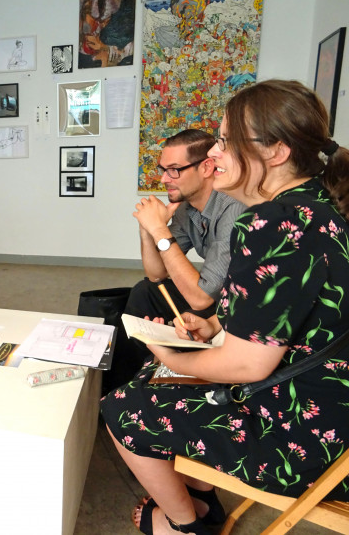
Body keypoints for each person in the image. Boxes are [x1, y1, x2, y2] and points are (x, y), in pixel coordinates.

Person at [102, 79, 349, 534]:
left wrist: (173, 357)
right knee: (157, 370)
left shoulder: (271, 224)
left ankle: (185, 525)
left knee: (123, 407)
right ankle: (200, 499)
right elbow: (282, 310)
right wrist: (213, 324)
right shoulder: (313, 207)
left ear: (275, 152)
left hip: (306, 433)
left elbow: (248, 364)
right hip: (327, 402)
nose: (214, 153)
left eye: (224, 141)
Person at [108, 129, 245, 390]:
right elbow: (156, 274)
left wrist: (160, 230)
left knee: (163, 299)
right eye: (163, 169)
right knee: (145, 292)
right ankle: (134, 378)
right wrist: (148, 230)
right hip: (218, 296)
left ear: (206, 168)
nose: (163, 179)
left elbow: (202, 297)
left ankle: (164, 374)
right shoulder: (188, 207)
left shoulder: (233, 207)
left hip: (238, 303)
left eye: (174, 170)